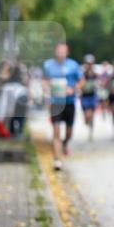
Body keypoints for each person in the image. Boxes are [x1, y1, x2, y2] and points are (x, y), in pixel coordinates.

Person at [42, 42, 83, 171]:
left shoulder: (73, 65)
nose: (60, 52)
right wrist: (46, 88)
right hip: (55, 102)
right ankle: (57, 159)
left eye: (63, 50)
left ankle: (65, 143)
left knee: (69, 132)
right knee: (56, 130)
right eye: (58, 50)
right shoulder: (48, 65)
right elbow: (44, 80)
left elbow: (82, 81)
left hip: (69, 102)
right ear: (55, 51)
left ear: (67, 52)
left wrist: (73, 89)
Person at [79, 55, 100, 141]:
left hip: (93, 96)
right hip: (84, 97)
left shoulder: (95, 74)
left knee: (91, 115)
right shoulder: (82, 74)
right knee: (87, 116)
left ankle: (91, 132)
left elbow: (99, 83)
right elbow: (79, 85)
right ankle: (87, 121)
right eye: (88, 64)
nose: (89, 65)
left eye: (91, 64)